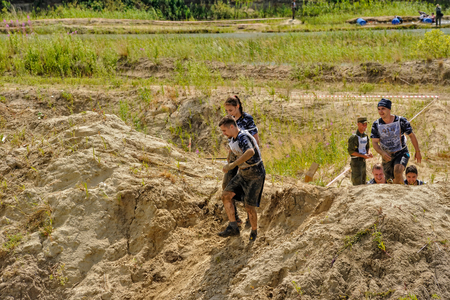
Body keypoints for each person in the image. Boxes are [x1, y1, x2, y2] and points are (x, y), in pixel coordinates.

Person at [218, 115, 265, 242]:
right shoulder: (232, 138)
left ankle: (254, 231)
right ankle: (233, 226)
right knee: (226, 195)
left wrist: (233, 165)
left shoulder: (243, 136)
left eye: (224, 130)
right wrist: (230, 157)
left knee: (249, 207)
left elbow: (250, 152)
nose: (223, 133)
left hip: (255, 174)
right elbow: (235, 149)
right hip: (243, 173)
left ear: (232, 126)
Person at [223, 95, 260, 227]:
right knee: (226, 185)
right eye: (227, 111)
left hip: (246, 155)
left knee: (247, 186)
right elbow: (230, 138)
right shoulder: (229, 120)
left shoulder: (247, 119)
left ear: (237, 106)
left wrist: (255, 155)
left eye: (231, 110)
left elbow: (254, 137)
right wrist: (229, 155)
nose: (229, 113)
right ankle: (235, 218)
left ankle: (250, 218)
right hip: (234, 155)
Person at [371, 98, 422, 184]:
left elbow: (411, 135)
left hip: (401, 152)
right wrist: (382, 153)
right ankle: (401, 192)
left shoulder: (400, 121)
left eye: (383, 108)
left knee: (398, 171)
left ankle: (402, 194)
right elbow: (374, 143)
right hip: (387, 155)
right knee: (390, 181)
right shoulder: (376, 124)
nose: (380, 111)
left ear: (389, 109)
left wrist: (417, 151)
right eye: (379, 109)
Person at [348, 117, 373, 185]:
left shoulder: (365, 136)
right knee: (357, 182)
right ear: (358, 124)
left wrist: (369, 153)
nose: (365, 126)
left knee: (363, 180)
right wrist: (362, 155)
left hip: (363, 161)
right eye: (363, 124)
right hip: (356, 162)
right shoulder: (354, 137)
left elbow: (368, 147)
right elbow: (351, 151)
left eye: (366, 124)